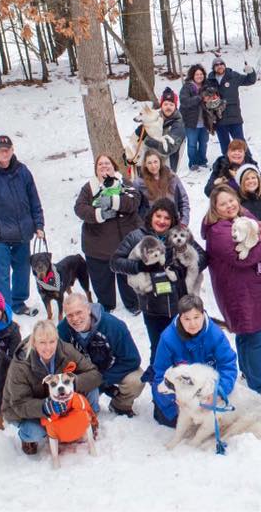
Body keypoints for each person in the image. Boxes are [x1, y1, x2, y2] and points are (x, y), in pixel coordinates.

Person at [202, 185, 261, 399]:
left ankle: (249, 372)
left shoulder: (244, 216)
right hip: (240, 291)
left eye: (231, 200)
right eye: (223, 204)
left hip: (253, 286)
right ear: (215, 208)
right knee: (255, 335)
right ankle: (258, 385)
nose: (229, 206)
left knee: (246, 334)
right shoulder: (218, 231)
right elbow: (242, 258)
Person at [111, 198, 207, 368]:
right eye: (158, 216)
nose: (162, 221)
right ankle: (158, 382)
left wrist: (183, 268)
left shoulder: (179, 235)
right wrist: (139, 266)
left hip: (180, 303)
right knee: (159, 348)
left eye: (167, 218)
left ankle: (186, 381)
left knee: (185, 347)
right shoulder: (137, 236)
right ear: (151, 216)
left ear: (173, 220)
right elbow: (115, 262)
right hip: (153, 306)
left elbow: (203, 258)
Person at [2, 320, 101, 456]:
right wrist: (45, 407)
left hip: (60, 398)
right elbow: (19, 404)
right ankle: (27, 438)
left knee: (91, 389)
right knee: (35, 432)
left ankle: (89, 422)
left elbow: (94, 374)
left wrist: (73, 383)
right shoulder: (20, 364)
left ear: (57, 340)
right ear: (34, 342)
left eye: (52, 342)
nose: (48, 347)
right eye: (42, 342)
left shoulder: (66, 350)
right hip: (26, 408)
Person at [0, 134, 44, 316]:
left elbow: (34, 199)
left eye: (7, 150)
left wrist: (39, 224)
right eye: (0, 151)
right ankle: (2, 308)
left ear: (12, 150)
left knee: (22, 269)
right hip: (0, 235)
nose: (4, 154)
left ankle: (18, 302)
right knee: (2, 273)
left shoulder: (23, 171)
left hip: (23, 232)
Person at [150, 294, 238, 427]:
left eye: (196, 317)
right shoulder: (168, 339)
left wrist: (219, 392)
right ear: (180, 318)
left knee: (222, 421)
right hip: (179, 394)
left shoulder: (215, 334)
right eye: (187, 319)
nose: (193, 323)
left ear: (203, 314)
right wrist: (174, 400)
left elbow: (228, 364)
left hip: (206, 389)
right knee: (179, 423)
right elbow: (160, 373)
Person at [57, 292, 144, 417]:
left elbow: (132, 360)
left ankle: (120, 405)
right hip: (83, 376)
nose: (75, 319)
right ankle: (83, 409)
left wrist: (101, 379)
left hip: (110, 370)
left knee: (137, 379)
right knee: (76, 407)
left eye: (79, 312)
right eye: (70, 315)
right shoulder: (62, 330)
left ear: (88, 309)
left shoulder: (113, 326)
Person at [74, 153, 142, 313]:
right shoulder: (89, 187)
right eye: (100, 164)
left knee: (127, 276)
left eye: (107, 163)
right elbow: (79, 208)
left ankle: (132, 303)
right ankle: (106, 305)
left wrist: (114, 202)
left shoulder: (124, 183)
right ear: (96, 169)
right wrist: (99, 214)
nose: (104, 166)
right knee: (101, 279)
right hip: (98, 245)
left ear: (114, 167)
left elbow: (135, 200)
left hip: (125, 242)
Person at [206, 56, 257, 156]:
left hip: (234, 117)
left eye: (221, 64)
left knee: (240, 142)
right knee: (224, 144)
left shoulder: (233, 76)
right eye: (216, 65)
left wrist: (251, 72)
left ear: (224, 65)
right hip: (219, 119)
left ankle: (248, 160)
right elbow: (204, 97)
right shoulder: (210, 81)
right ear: (213, 68)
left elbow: (250, 80)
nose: (219, 66)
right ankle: (227, 162)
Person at [135, 149, 190, 226]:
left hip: (172, 224)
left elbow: (183, 200)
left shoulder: (172, 177)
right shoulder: (139, 184)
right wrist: (142, 227)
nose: (153, 166)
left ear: (160, 162)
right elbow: (135, 209)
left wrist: (184, 221)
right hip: (151, 227)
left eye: (155, 162)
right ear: (145, 165)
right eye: (149, 163)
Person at [144, 87, 186, 173]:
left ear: (175, 107)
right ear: (161, 106)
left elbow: (169, 148)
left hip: (167, 167)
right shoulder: (155, 118)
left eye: (171, 105)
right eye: (165, 104)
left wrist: (149, 141)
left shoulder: (178, 124)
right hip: (151, 166)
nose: (168, 107)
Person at [179, 64, 211, 171]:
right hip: (191, 121)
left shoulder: (206, 87)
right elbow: (184, 101)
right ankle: (193, 163)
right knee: (192, 144)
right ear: (192, 75)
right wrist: (199, 98)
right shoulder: (187, 87)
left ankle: (202, 161)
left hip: (204, 121)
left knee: (203, 143)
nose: (199, 76)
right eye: (197, 74)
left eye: (201, 74)